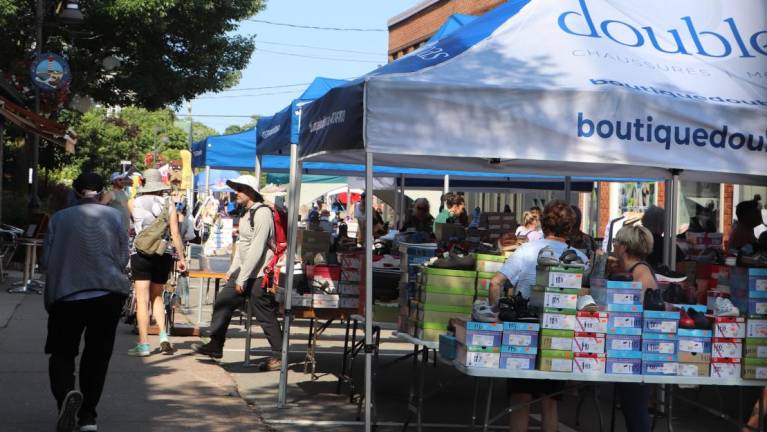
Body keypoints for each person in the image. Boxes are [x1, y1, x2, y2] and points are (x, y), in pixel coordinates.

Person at [42, 172, 130, 432]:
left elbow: (46, 262)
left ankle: (65, 398)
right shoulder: (115, 217)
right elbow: (123, 257)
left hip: (67, 296)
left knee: (61, 352)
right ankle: (88, 416)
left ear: (76, 191)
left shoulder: (58, 219)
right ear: (102, 191)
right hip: (107, 295)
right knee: (97, 356)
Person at [489, 201, 588, 432]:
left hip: (523, 329)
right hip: (560, 332)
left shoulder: (526, 250)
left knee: (520, 401)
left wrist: (495, 315)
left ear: (543, 223)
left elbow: (495, 283)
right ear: (571, 228)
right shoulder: (580, 258)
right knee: (550, 402)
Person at [192, 175, 284, 371]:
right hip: (245, 271)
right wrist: (232, 270)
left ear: (251, 192)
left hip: (258, 274)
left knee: (265, 316)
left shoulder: (262, 213)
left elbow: (257, 248)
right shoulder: (246, 213)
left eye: (240, 189)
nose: (236, 193)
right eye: (236, 188)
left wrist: (242, 277)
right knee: (223, 300)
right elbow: (242, 245)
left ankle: (279, 355)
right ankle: (216, 345)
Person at [127, 168, 187, 357]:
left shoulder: (133, 202)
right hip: (164, 253)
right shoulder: (169, 204)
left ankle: (144, 345)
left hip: (141, 254)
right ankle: (163, 336)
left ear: (144, 183)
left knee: (142, 300)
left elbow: (135, 226)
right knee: (158, 297)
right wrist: (182, 258)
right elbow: (175, 233)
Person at [612, 224, 657, 432]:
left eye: (616, 242)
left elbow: (633, 311)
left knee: (636, 410)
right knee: (631, 409)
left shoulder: (640, 273)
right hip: (629, 347)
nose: (614, 246)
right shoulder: (632, 271)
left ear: (624, 247)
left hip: (638, 350)